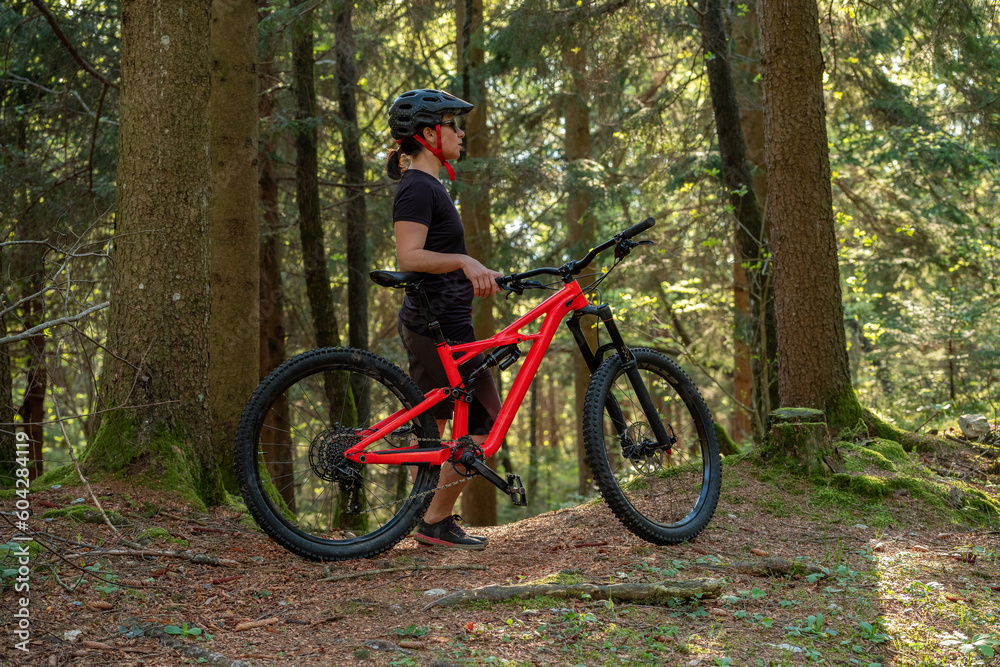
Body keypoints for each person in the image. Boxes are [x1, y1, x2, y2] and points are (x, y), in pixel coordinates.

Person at [386, 89, 503, 550]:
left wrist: (480, 270)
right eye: (453, 124)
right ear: (429, 134)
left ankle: (431, 517)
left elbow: (436, 255)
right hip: (437, 326)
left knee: (440, 421)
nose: (460, 133)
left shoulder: (431, 186)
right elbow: (409, 255)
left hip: (446, 322)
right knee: (482, 424)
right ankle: (434, 522)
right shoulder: (417, 185)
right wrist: (462, 260)